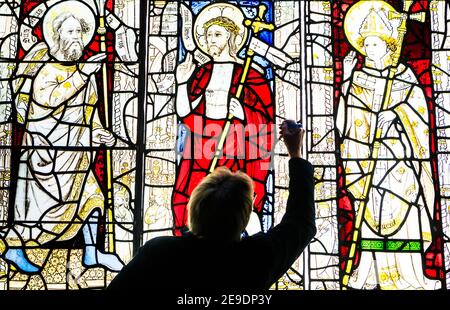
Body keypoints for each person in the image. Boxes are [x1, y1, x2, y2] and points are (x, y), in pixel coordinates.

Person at [107, 119, 315, 289]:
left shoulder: (159, 253)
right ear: (243, 218)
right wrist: (295, 154)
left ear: (194, 208)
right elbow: (300, 222)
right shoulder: (254, 260)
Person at [0, 11, 123, 273]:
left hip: (76, 152)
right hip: (45, 155)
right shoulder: (47, 72)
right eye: (70, 32)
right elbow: (49, 100)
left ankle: (92, 252)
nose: (76, 38)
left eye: (79, 32)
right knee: (35, 214)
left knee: (93, 198)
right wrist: (83, 74)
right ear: (57, 37)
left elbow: (89, 113)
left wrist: (100, 132)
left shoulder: (87, 75)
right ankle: (15, 247)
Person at [336, 7, 439, 289]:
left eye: (374, 43)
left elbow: (420, 114)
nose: (368, 49)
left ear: (388, 45)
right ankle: (370, 272)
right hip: (366, 157)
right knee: (371, 212)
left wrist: (398, 114)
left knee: (405, 207)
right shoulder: (357, 79)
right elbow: (342, 123)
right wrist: (345, 79)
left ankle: (411, 274)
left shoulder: (403, 76)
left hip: (398, 157)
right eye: (365, 44)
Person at [172, 15, 274, 235]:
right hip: (201, 143)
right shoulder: (202, 73)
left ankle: (254, 248)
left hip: (235, 146)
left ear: (232, 37)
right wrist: (181, 83)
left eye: (217, 35)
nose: (211, 41)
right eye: (208, 36)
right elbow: (185, 113)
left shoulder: (251, 75)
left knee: (238, 203)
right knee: (193, 200)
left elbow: (266, 123)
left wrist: (245, 113)